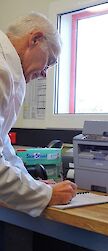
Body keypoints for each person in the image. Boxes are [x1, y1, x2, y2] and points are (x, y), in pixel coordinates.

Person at [0, 12, 77, 217]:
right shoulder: (2, 71)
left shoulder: (8, 71)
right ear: (35, 39)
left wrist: (32, 185)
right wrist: (45, 194)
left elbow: (3, 148)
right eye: (49, 61)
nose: (44, 72)